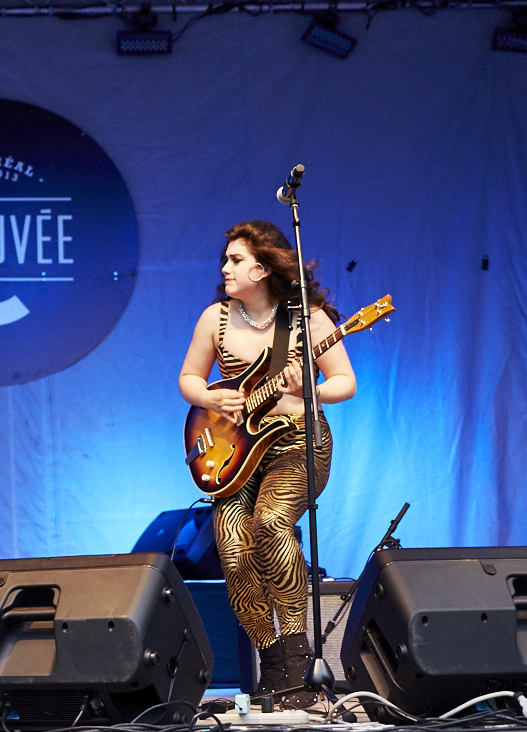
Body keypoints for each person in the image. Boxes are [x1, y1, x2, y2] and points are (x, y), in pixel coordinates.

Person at [178, 220, 356, 707]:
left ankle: (300, 659)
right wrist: (217, 399)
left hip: (298, 443)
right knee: (233, 549)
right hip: (236, 452)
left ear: (263, 266)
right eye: (226, 259)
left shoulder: (309, 319)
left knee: (272, 524)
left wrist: (308, 389)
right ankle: (273, 661)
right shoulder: (215, 317)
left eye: (235, 260)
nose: (224, 268)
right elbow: (190, 379)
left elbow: (345, 381)